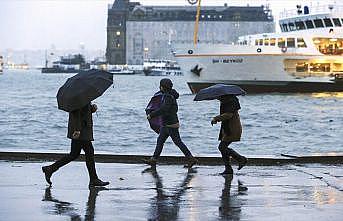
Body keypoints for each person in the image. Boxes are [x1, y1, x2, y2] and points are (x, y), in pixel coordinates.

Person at [42, 103, 109, 187]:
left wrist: (92, 109)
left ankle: (50, 169)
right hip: (81, 130)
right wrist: (77, 129)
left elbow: (83, 110)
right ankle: (94, 179)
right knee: (89, 152)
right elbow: (76, 112)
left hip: (82, 129)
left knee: (74, 154)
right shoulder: (79, 98)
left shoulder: (82, 95)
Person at [144, 78, 198, 168]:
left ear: (162, 87)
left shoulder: (168, 97)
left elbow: (164, 109)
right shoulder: (169, 94)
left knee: (178, 142)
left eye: (160, 85)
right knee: (160, 141)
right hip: (167, 124)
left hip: (170, 124)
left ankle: (191, 159)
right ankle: (153, 160)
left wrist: (152, 115)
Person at [211, 95, 247, 174]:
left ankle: (241, 159)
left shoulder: (230, 102)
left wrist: (216, 118)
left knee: (222, 147)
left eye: (218, 96)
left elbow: (228, 115)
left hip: (232, 128)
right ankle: (228, 169)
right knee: (223, 148)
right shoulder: (226, 101)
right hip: (227, 128)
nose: (216, 97)